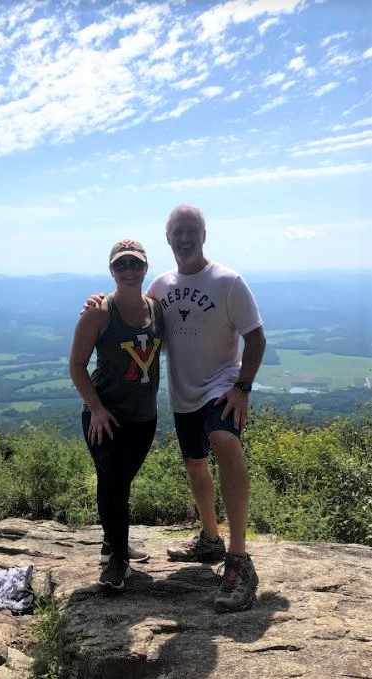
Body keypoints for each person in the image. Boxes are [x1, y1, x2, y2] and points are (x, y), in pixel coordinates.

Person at [85, 206, 266, 613]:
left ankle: (239, 559)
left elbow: (256, 339)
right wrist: (97, 303)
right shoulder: (161, 286)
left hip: (221, 387)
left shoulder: (229, 281)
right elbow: (134, 315)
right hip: (183, 395)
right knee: (195, 465)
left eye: (191, 231)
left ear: (204, 234)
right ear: (168, 239)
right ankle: (209, 539)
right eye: (177, 233)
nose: (184, 239)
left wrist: (242, 389)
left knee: (224, 441)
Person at [69, 239, 163, 591]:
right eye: (121, 265)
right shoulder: (98, 312)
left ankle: (115, 541)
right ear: (112, 270)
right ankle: (116, 561)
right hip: (105, 416)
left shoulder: (157, 309)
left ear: (145, 268)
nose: (129, 270)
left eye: (135, 264)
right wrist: (96, 408)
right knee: (112, 484)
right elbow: (76, 365)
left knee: (122, 483)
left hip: (144, 416)